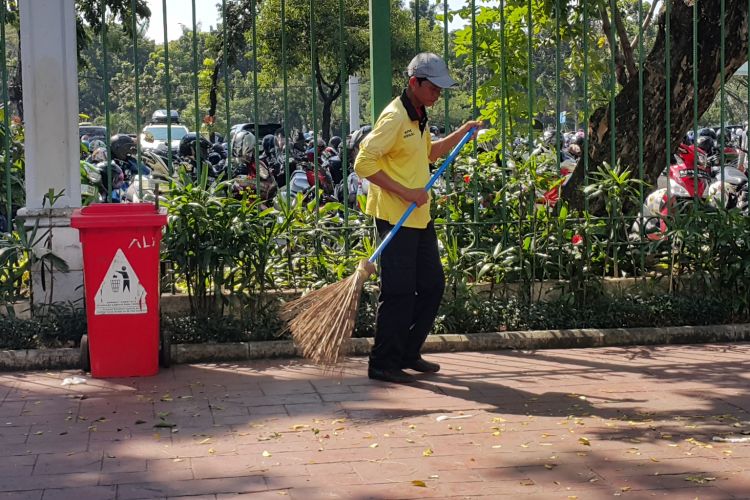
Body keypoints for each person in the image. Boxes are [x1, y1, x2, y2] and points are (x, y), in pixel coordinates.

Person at [354, 52, 481, 384]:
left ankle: (408, 352)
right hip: (395, 217)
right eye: (434, 88)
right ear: (414, 83)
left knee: (432, 286)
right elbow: (363, 164)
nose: (438, 94)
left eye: (441, 89)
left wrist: (463, 132)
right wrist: (406, 192)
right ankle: (382, 362)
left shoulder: (418, 115)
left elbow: (428, 153)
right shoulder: (394, 118)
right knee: (398, 291)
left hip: (419, 217)